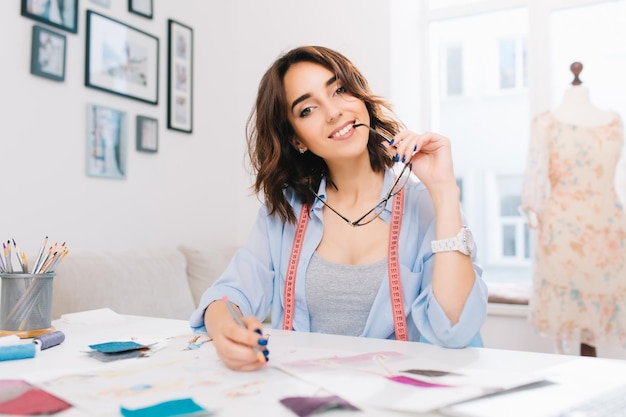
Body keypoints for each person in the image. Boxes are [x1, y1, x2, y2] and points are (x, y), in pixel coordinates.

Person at [190, 45, 487, 371]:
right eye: (307, 110)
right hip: (305, 395)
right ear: (297, 140)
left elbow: (455, 329)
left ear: (361, 99)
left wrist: (444, 190)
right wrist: (226, 330)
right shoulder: (285, 213)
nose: (333, 112)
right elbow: (229, 294)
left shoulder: (425, 207)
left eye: (340, 90)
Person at [520, 64, 626, 357]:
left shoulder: (615, 122)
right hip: (564, 230)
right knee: (568, 314)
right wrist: (534, 210)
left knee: (599, 314)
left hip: (609, 229)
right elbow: (535, 179)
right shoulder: (545, 123)